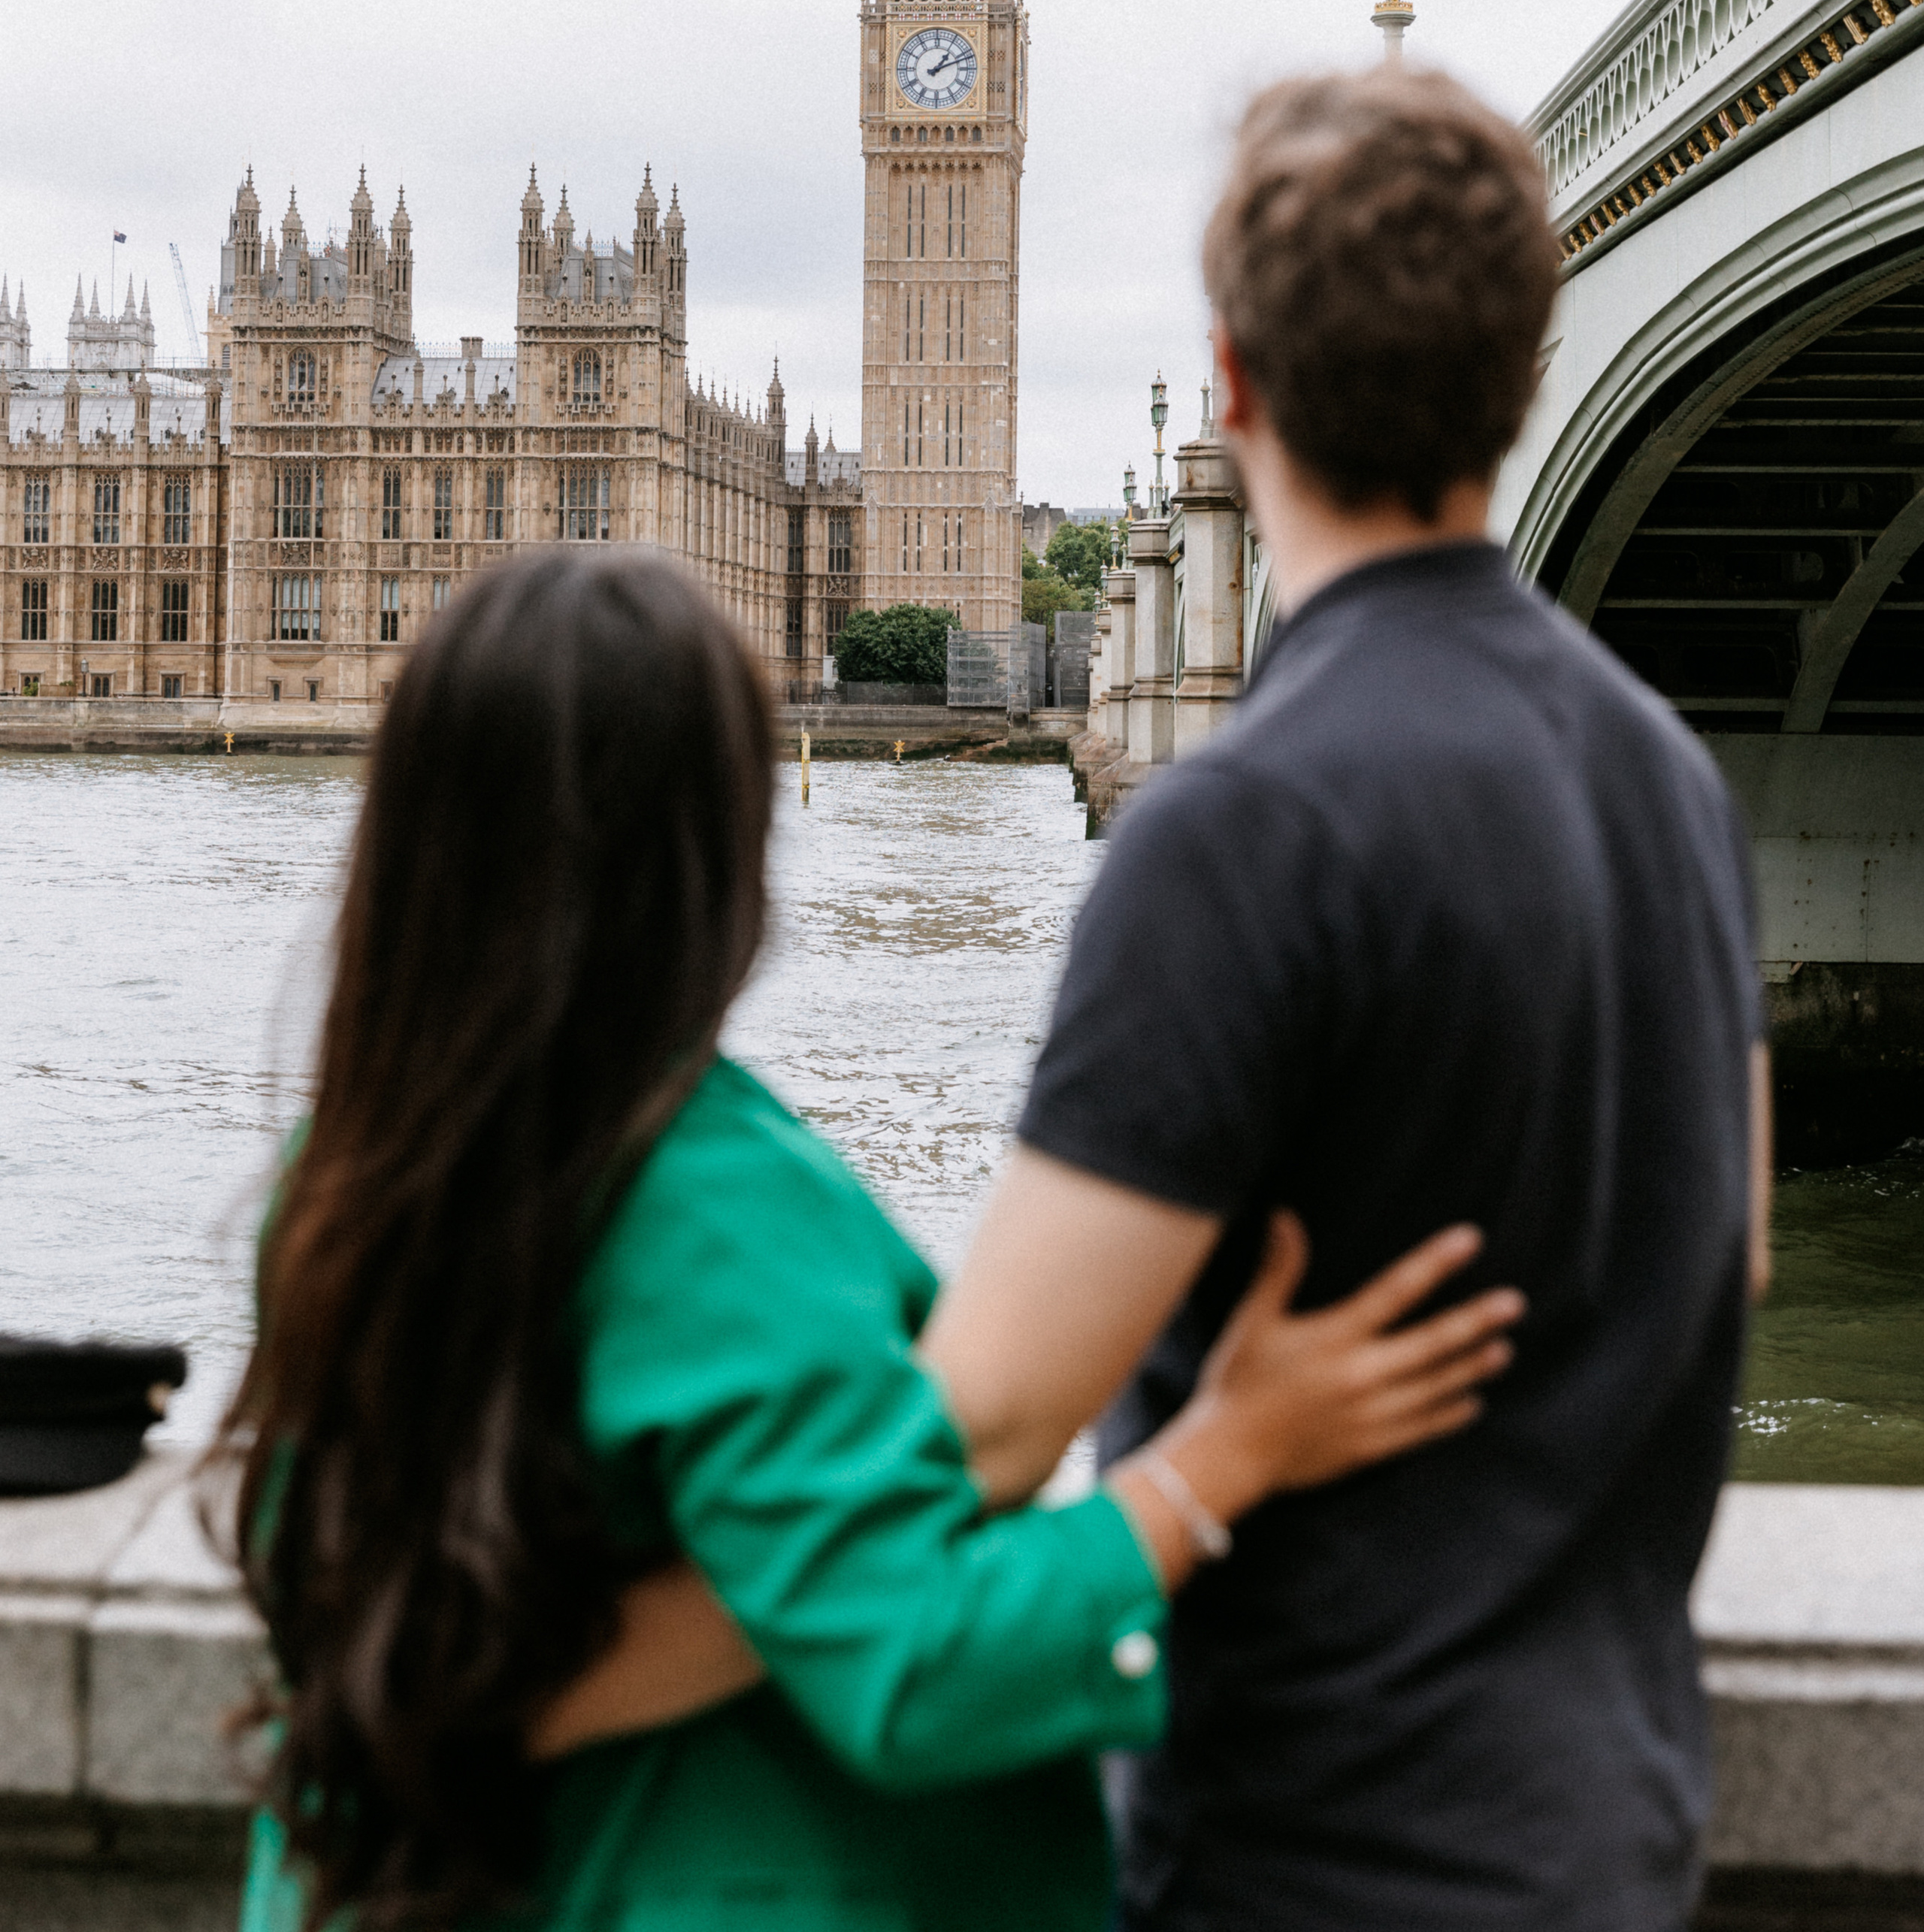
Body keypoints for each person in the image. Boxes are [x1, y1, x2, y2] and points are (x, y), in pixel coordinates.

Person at [547, 69, 1766, 1932]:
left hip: (1311, 1856)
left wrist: (528, 1682)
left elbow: (980, 1435)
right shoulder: (1675, 786)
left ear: (1231, 385)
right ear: (1522, 382)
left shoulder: (1242, 827)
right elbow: (1726, 1257)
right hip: (1609, 1833)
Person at [222, 544, 1523, 1932]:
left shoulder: (345, 1170)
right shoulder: (700, 1192)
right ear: (714, 848)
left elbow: (409, 1624)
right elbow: (916, 1667)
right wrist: (1228, 1455)